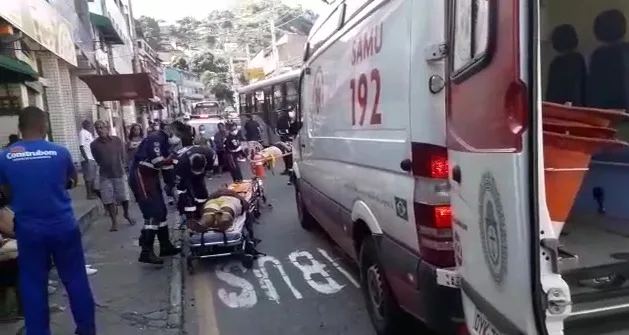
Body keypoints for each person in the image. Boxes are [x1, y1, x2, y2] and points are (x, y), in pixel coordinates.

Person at [0, 106, 95, 334]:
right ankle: (86, 329)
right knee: (75, 279)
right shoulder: (60, 152)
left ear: (19, 128)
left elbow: (5, 193)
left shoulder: (5, 157)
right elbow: (71, 181)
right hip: (63, 225)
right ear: (45, 126)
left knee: (33, 284)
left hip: (29, 229)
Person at [128, 120, 181, 265]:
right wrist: (174, 160)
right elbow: (158, 161)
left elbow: (167, 171)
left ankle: (165, 246)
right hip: (141, 176)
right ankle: (146, 251)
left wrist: (173, 188)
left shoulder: (167, 144)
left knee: (161, 211)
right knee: (152, 212)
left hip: (151, 176)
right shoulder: (156, 138)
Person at [91, 120, 136, 231]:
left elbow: (123, 155)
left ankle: (126, 214)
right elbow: (97, 159)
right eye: (97, 128)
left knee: (124, 197)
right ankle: (114, 221)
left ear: (107, 128)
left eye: (102, 127)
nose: (100, 130)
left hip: (119, 173)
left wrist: (124, 166)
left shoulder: (116, 140)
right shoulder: (94, 145)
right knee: (108, 199)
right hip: (105, 175)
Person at [174, 128, 218, 221]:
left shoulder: (208, 153)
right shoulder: (180, 162)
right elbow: (179, 185)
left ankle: (203, 208)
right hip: (185, 172)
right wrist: (181, 196)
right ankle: (190, 216)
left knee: (201, 189)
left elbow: (214, 163)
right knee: (186, 194)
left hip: (198, 168)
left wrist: (209, 170)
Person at [79, 120, 98, 199]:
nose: (90, 126)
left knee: (93, 176)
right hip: (87, 158)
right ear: (84, 125)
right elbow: (81, 146)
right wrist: (86, 158)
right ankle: (89, 194)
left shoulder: (89, 133)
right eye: (88, 124)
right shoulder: (82, 133)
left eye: (90, 124)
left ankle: (92, 192)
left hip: (92, 157)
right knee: (88, 177)